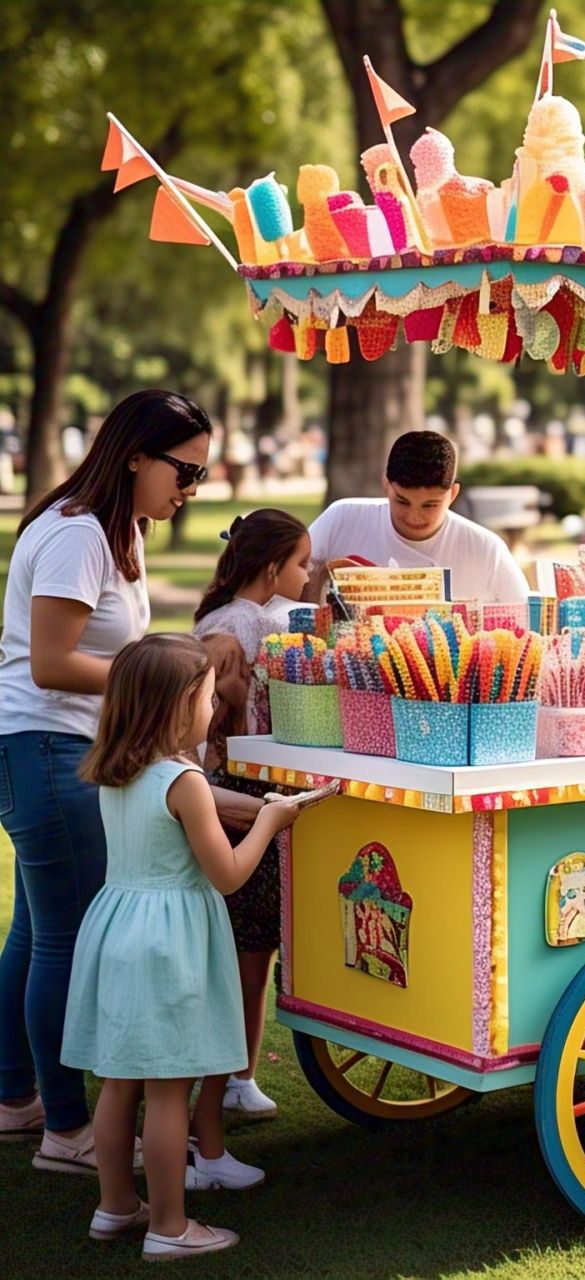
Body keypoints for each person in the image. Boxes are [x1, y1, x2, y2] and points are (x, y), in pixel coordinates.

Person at [0, 389, 212, 1169]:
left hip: (54, 748)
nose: (189, 491)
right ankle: (65, 1129)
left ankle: (16, 1099)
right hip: (47, 748)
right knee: (65, 937)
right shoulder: (76, 533)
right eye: (184, 472)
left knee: (35, 932)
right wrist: (155, 677)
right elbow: (51, 662)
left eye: (200, 475)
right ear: (134, 455)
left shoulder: (119, 530)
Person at [61, 636, 306, 1258]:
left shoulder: (116, 767)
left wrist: (259, 806)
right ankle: (170, 1227)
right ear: (176, 709)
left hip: (118, 929)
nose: (213, 709)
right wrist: (273, 824)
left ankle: (115, 1206)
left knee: (120, 1084)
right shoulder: (187, 780)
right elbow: (226, 874)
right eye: (205, 698)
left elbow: (178, 816)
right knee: (171, 1089)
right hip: (168, 942)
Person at [192, 509, 312, 1137]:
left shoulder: (219, 617)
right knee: (251, 944)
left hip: (228, 782)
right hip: (250, 785)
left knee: (246, 942)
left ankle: (236, 1075)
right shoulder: (255, 625)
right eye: (300, 563)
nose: (309, 572)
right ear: (271, 568)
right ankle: (236, 1075)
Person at [306, 430, 527, 603]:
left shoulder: (485, 549)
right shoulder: (343, 519)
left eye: (430, 505)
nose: (414, 516)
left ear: (453, 494)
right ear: (386, 485)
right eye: (402, 501)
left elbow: (528, 623)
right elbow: (286, 583)